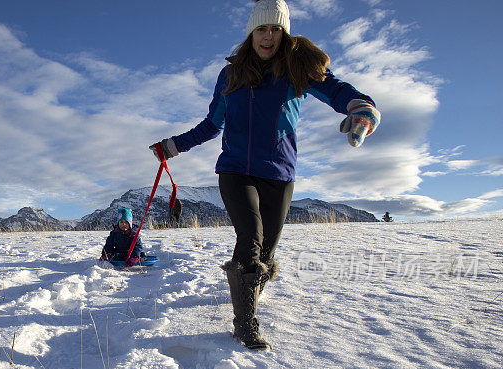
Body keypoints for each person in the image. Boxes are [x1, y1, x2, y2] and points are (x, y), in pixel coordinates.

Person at [150, 0, 380, 350]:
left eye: (275, 29)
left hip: (279, 173)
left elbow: (336, 90)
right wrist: (172, 146)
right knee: (251, 238)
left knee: (266, 254)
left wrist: (360, 108)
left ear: (284, 33)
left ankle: (250, 287)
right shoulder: (230, 75)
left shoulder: (296, 70)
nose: (268, 36)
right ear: (250, 33)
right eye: (261, 29)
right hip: (235, 170)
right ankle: (245, 324)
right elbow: (213, 124)